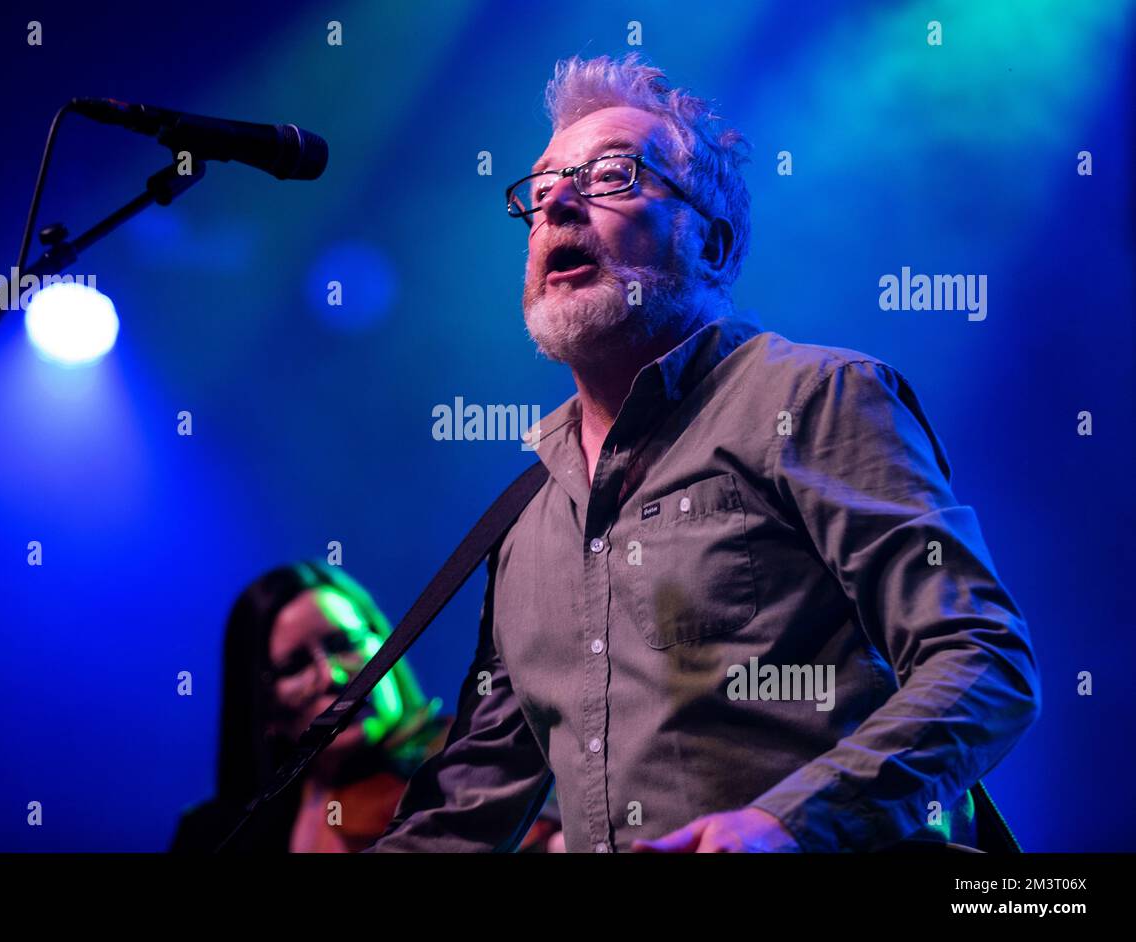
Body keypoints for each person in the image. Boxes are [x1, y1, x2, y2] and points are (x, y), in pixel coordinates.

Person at [369, 53, 1040, 853]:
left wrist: (784, 825)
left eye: (613, 175)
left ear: (712, 246)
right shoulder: (528, 519)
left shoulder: (815, 398)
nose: (559, 206)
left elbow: (983, 661)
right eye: (542, 191)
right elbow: (469, 811)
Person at [171, 561, 448, 853]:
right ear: (263, 708)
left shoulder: (456, 768)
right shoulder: (211, 834)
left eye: (345, 643)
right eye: (295, 665)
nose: (333, 675)